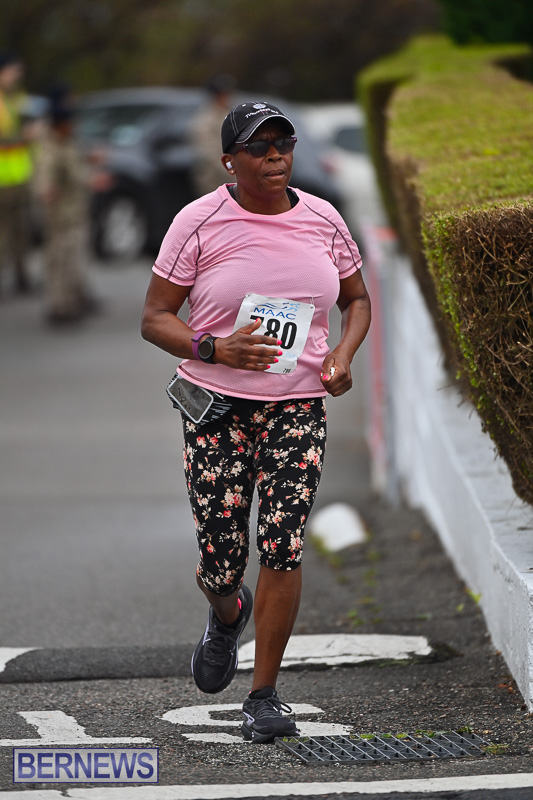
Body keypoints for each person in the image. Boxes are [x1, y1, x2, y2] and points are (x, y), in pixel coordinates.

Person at [141, 101, 371, 743]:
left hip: (298, 403)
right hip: (217, 405)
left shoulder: (323, 217)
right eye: (259, 146)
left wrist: (342, 355)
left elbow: (356, 299)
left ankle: (264, 693)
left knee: (283, 540)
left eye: (283, 142)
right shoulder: (199, 221)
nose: (275, 154)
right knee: (221, 553)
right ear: (229, 162)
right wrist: (216, 349)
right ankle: (226, 610)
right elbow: (155, 316)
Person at [34, 84, 95, 324]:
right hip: (60, 217)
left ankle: (73, 301)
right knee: (60, 261)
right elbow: (44, 174)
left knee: (73, 260)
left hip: (73, 212)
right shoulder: (50, 146)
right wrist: (45, 190)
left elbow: (76, 168)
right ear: (59, 125)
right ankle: (60, 308)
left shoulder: (67, 141)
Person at [0, 52, 34, 295]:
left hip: (20, 178)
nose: (17, 76)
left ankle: (22, 278)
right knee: (3, 234)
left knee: (21, 230)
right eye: (13, 71)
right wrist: (23, 138)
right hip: (3, 180)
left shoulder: (18, 99)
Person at [189, 74, 236, 197]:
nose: (227, 97)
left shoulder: (231, 114)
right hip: (214, 182)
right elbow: (209, 154)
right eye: (223, 94)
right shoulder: (205, 120)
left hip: (233, 181)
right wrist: (234, 170)